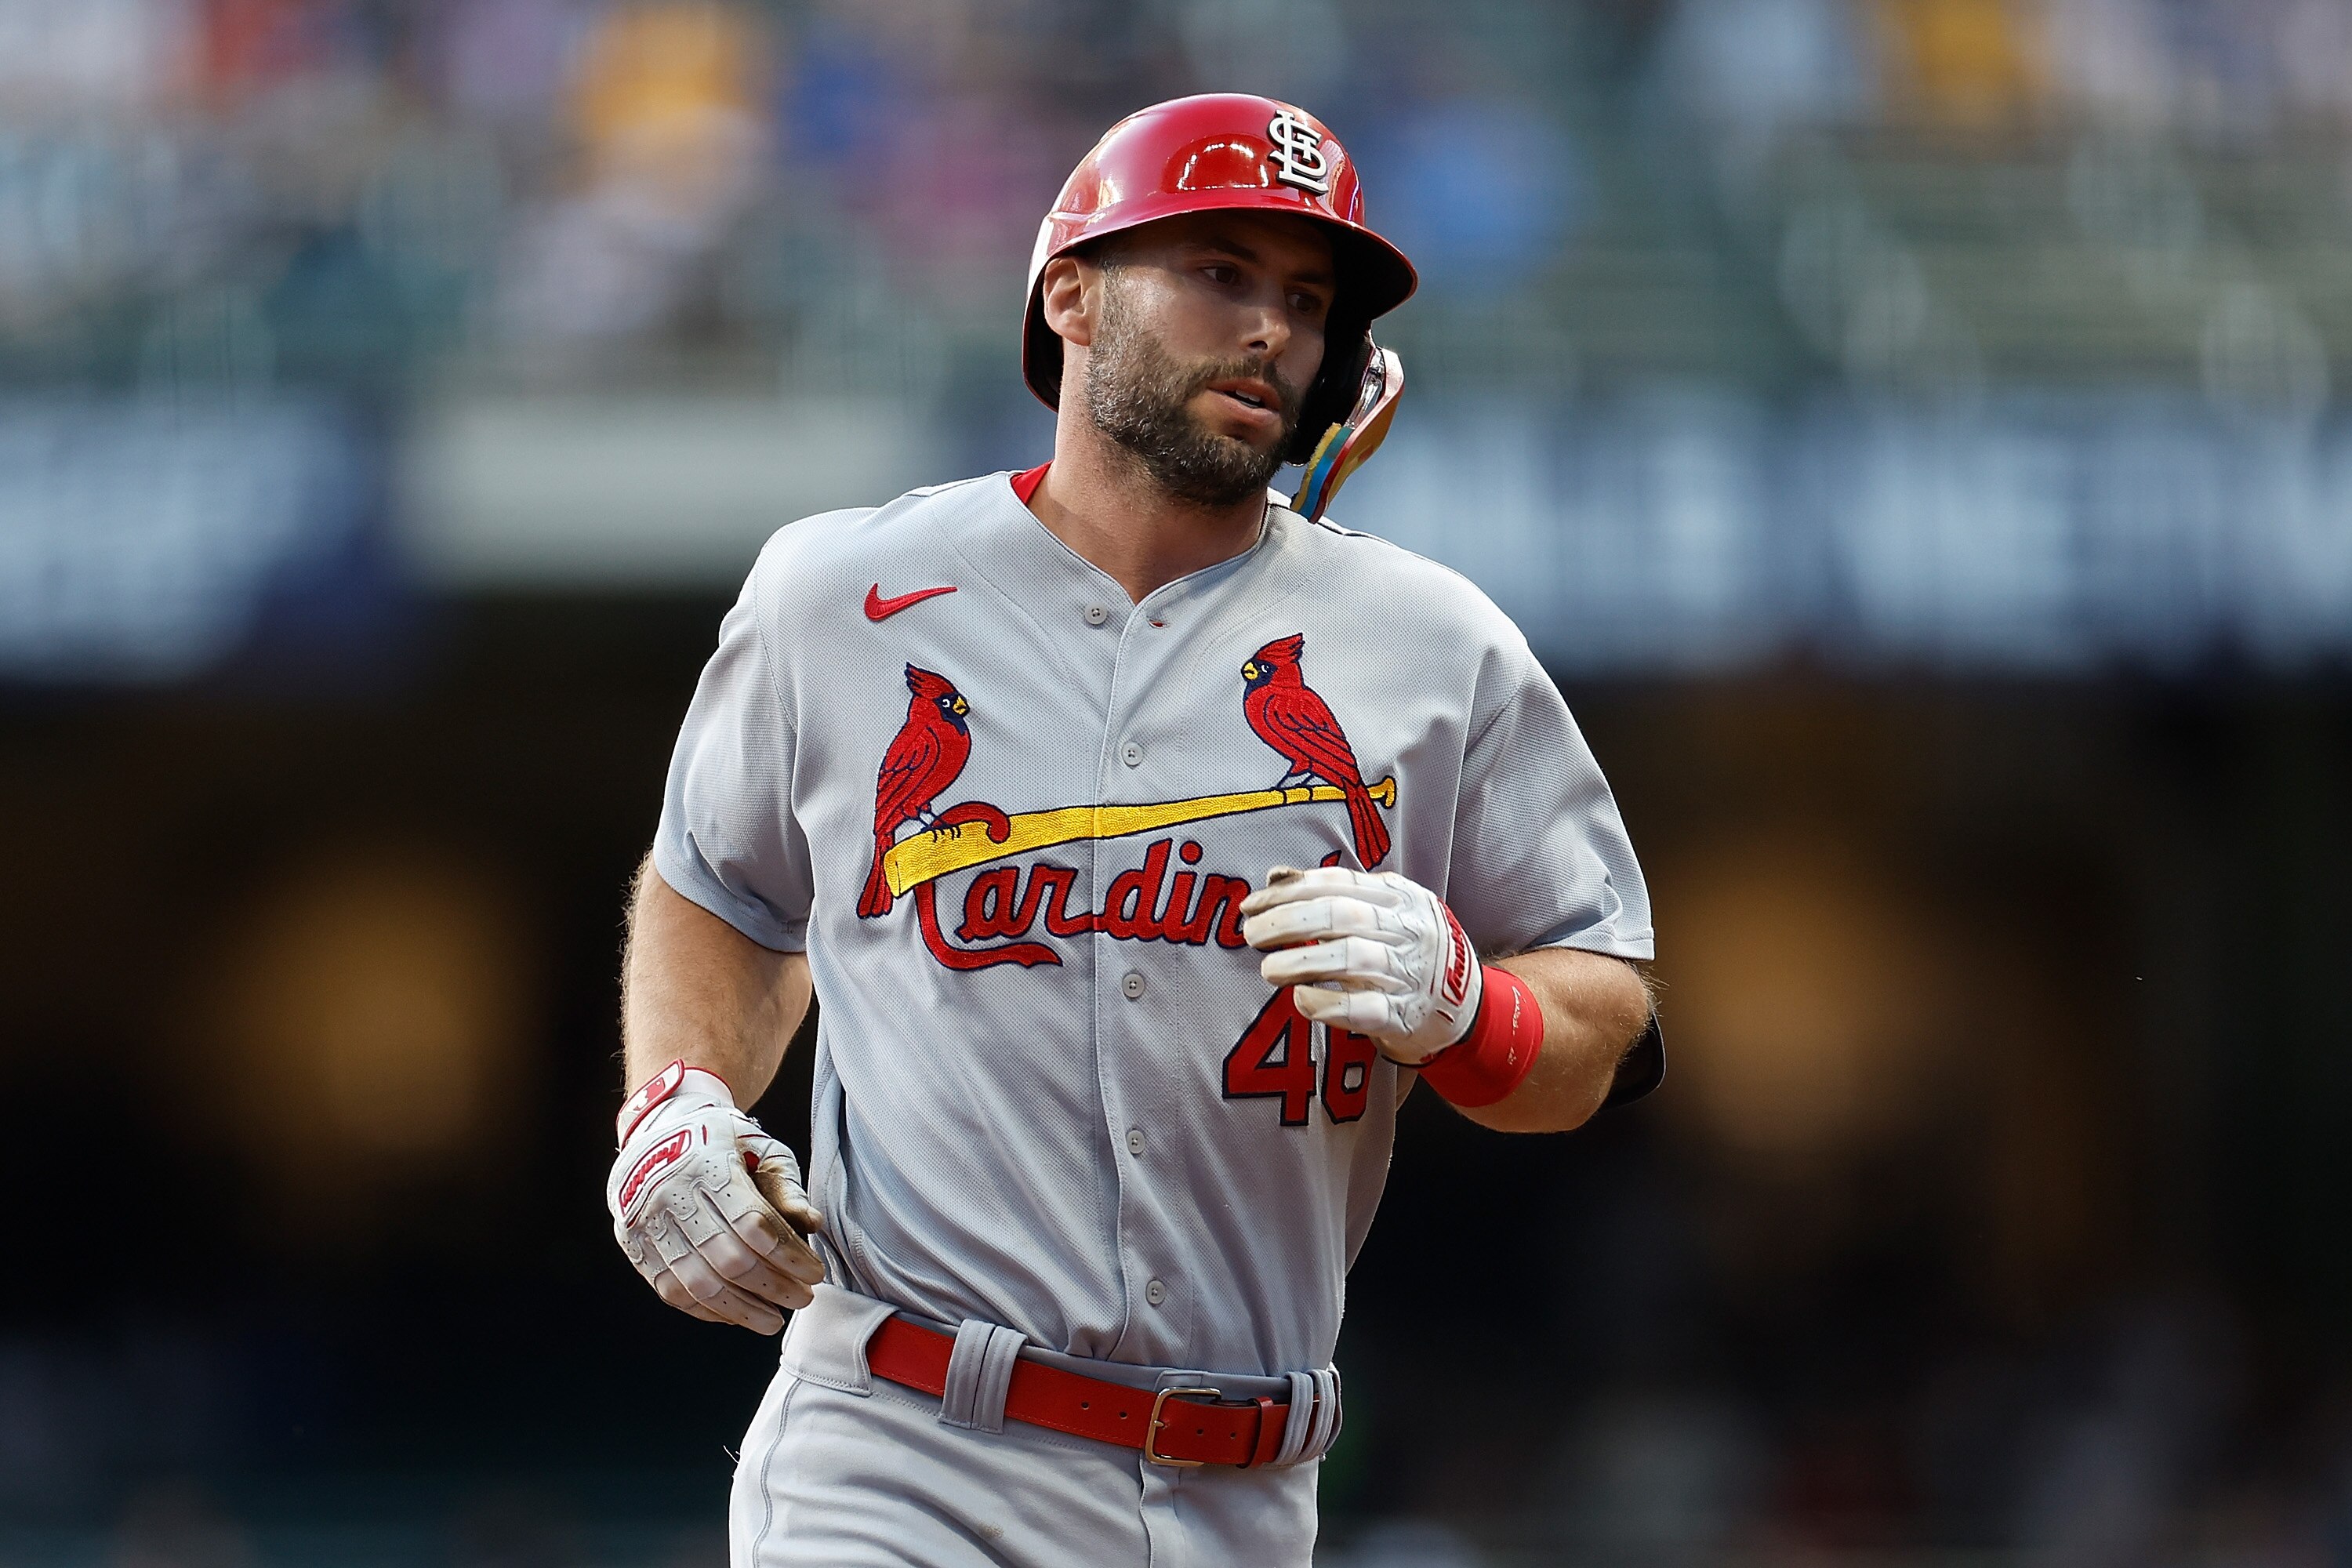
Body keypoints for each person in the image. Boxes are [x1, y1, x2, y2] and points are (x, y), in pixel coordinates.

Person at [606, 93, 1661, 1567]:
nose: (1272, 329)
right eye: (1219, 271)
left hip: (1248, 1483)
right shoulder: (838, 594)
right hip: (903, 1450)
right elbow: (718, 889)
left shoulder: (1433, 647)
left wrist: (1472, 1010)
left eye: (1306, 299)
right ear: (1071, 293)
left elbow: (1602, 1022)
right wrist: (676, 1099)